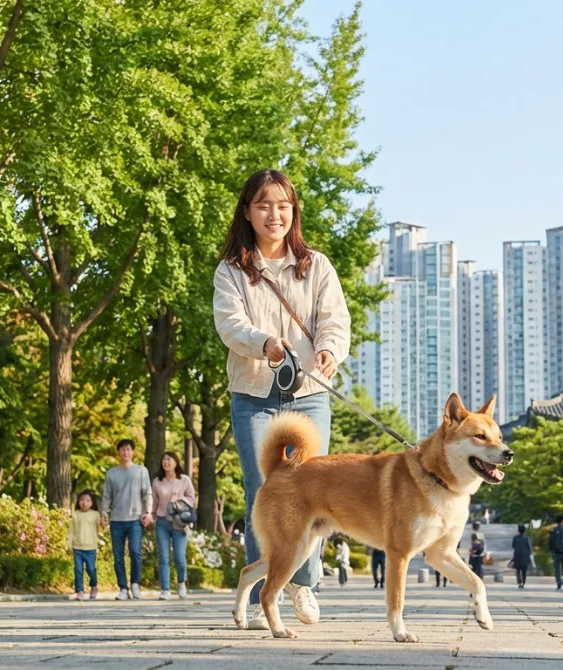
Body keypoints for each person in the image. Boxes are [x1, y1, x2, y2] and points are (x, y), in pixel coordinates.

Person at [213, 168, 351, 631]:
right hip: (253, 394)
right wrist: (264, 342)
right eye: (263, 205)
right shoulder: (232, 270)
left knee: (315, 489)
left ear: (293, 212)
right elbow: (229, 324)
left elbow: (335, 320)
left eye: (283, 205)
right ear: (247, 212)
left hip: (309, 393)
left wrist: (329, 349)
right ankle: (262, 592)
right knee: (263, 489)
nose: (274, 214)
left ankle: (303, 582)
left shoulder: (317, 265)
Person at [101, 439, 153, 601]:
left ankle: (135, 583)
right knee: (118, 556)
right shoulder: (111, 473)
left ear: (133, 452)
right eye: (123, 449)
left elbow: (147, 493)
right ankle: (123, 588)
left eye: (128, 449)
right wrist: (103, 512)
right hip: (116, 520)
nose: (126, 452)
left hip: (135, 519)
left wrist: (148, 512)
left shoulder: (141, 471)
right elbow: (107, 495)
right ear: (118, 452)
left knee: (135, 552)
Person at [153, 451, 196, 601]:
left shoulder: (184, 480)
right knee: (163, 557)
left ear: (176, 462)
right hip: (162, 522)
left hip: (179, 523)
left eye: (169, 459)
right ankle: (165, 589)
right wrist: (151, 516)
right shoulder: (157, 482)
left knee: (179, 557)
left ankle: (181, 583)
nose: (166, 462)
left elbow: (192, 499)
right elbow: (154, 502)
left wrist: (179, 501)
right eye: (164, 459)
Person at [67, 489, 100, 602]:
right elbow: (71, 531)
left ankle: (94, 585)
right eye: (82, 500)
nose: (84, 502)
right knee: (78, 570)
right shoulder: (75, 515)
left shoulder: (95, 515)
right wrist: (69, 545)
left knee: (91, 569)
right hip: (78, 548)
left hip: (91, 548)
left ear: (92, 503)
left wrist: (104, 523)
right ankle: (79, 591)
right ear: (78, 501)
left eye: (87, 500)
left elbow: (100, 529)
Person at [547, 515, 563, 590]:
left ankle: (559, 582)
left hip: (556, 552)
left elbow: (551, 540)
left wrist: (551, 550)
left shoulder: (554, 530)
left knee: (557, 568)